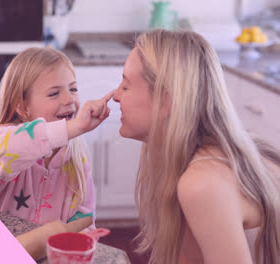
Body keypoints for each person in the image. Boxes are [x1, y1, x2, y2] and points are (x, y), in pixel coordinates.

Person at [112, 30, 280, 264]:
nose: (115, 95)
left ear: (166, 102)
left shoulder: (203, 183)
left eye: (126, 86)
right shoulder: (203, 161)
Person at [0, 47, 114, 228]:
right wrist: (74, 127)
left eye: (73, 89)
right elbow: (14, 148)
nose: (69, 99)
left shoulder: (77, 156)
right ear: (23, 107)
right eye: (54, 93)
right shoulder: (3, 140)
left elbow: (83, 220)